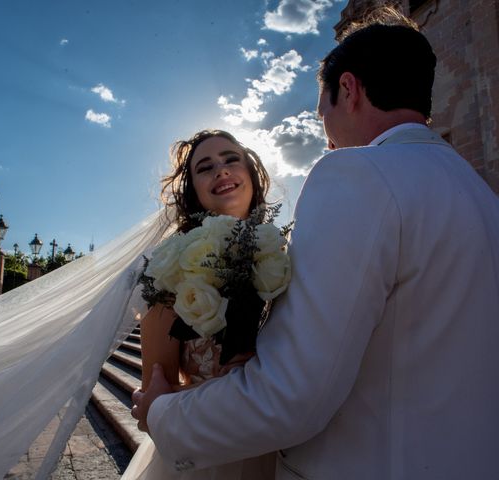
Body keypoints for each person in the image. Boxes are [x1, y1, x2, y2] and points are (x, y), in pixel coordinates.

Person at [131, 8, 499, 479]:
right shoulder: (480, 194)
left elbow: (291, 394)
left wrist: (163, 413)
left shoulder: (356, 177)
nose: (323, 127)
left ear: (348, 90)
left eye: (320, 107)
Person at [122, 129, 277, 479]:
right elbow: (152, 407)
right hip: (211, 458)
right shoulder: (170, 268)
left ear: (251, 174)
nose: (221, 170)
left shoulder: (284, 254)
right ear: (194, 192)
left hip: (284, 448)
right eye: (205, 167)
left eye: (231, 159)